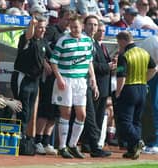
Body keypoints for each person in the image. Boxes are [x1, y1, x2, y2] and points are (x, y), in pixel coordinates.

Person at [50, 13, 98, 159]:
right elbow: (53, 61)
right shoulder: (63, 41)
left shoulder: (88, 41)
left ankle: (72, 145)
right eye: (72, 27)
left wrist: (93, 80)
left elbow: (89, 61)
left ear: (82, 26)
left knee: (82, 114)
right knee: (66, 113)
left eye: (76, 27)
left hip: (81, 81)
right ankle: (62, 147)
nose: (74, 29)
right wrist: (59, 78)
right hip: (66, 79)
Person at [35, 7, 73, 155]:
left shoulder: (69, 36)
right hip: (50, 77)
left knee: (55, 111)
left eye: (71, 20)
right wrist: (45, 62)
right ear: (60, 18)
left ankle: (46, 142)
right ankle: (37, 140)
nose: (68, 22)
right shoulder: (51, 30)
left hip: (63, 78)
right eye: (66, 19)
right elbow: (41, 46)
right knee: (45, 108)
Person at [115, 31, 157, 159]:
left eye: (118, 43)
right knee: (136, 121)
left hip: (129, 89)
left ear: (122, 41)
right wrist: (145, 80)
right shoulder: (144, 52)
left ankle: (137, 140)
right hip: (142, 88)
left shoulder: (124, 55)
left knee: (124, 121)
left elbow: (121, 76)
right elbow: (154, 69)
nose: (119, 46)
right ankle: (132, 150)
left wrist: (118, 92)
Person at [11, 15, 49, 142]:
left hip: (35, 80)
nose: (43, 30)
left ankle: (23, 136)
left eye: (44, 28)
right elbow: (28, 36)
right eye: (40, 28)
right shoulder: (26, 38)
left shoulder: (43, 41)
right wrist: (32, 24)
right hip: (23, 78)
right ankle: (19, 136)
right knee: (22, 108)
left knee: (29, 110)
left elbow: (49, 56)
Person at [81, 15, 112, 158]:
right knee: (88, 116)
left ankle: (91, 145)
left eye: (95, 25)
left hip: (93, 84)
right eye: (90, 24)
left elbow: (91, 64)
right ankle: (91, 145)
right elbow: (90, 64)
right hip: (80, 83)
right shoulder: (83, 40)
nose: (93, 28)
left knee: (91, 117)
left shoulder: (94, 42)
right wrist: (107, 66)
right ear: (84, 25)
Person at [94, 21, 117, 147]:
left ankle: (99, 141)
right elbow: (92, 65)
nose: (102, 33)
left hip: (105, 88)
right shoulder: (93, 45)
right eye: (100, 30)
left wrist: (113, 66)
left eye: (103, 31)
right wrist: (107, 66)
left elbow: (110, 69)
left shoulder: (103, 46)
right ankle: (92, 142)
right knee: (95, 116)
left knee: (101, 116)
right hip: (96, 86)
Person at [137, 35, 158, 154]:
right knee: (152, 110)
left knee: (153, 109)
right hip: (151, 75)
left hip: (151, 76)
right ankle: (152, 142)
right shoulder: (152, 40)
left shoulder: (152, 40)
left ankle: (154, 142)